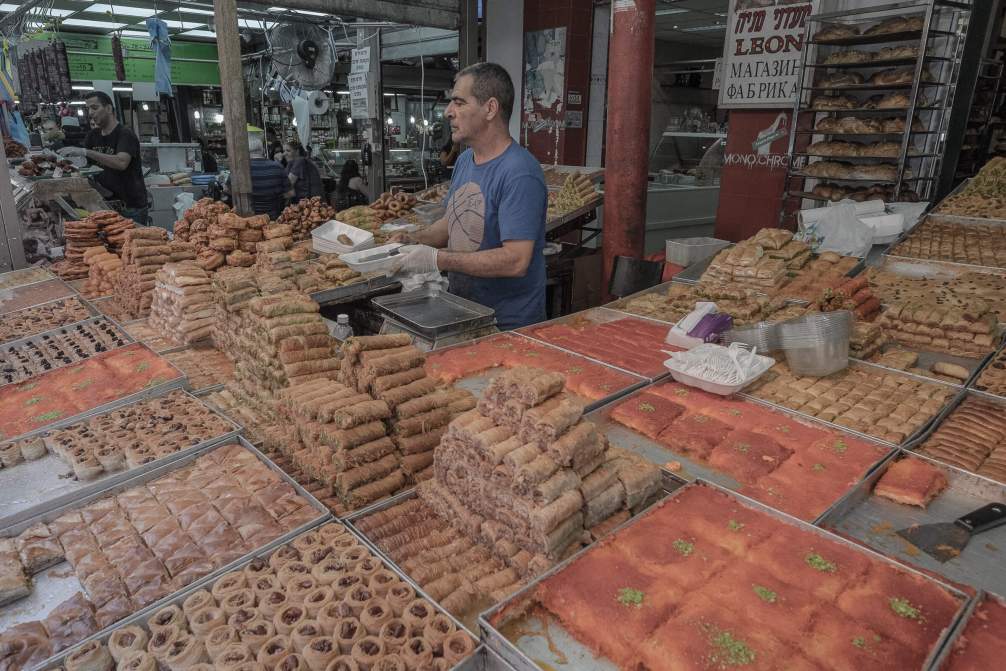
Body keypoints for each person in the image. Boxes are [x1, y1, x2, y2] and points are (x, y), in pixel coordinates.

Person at [391, 62, 547, 330]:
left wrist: (436, 259)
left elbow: (516, 260)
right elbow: (452, 222)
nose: (449, 112)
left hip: (507, 326)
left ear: (490, 109)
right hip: (464, 312)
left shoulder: (519, 172)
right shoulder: (465, 162)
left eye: (459, 102)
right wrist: (414, 240)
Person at [59, 91, 148, 225]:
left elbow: (121, 162)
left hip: (130, 207)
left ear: (108, 109)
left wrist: (86, 151)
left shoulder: (125, 134)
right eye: (88, 109)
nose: (90, 113)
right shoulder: (92, 136)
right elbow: (87, 169)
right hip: (105, 204)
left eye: (94, 108)